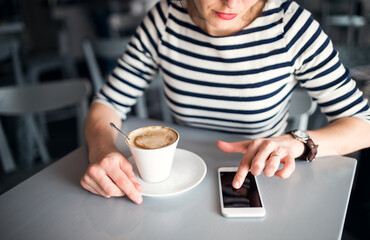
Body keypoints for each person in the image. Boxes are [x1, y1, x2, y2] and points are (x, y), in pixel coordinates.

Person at [80, 0, 370, 204]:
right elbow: (107, 104)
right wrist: (102, 151)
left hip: (264, 182)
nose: (232, 3)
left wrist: (297, 142)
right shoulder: (165, 19)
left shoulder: (292, 26)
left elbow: (362, 125)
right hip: (179, 181)